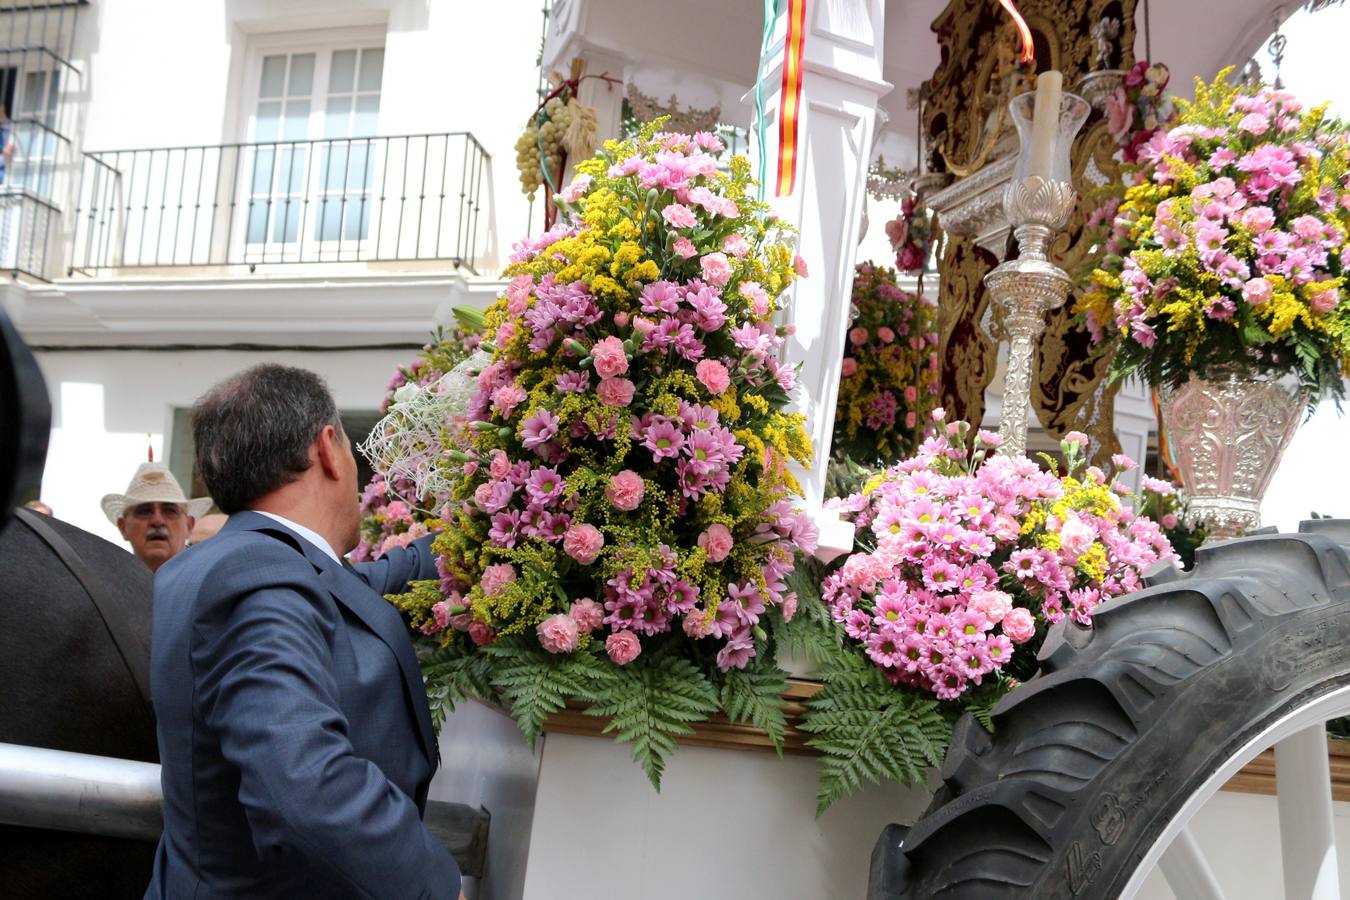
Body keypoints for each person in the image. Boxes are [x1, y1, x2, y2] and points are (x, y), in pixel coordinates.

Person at [146, 363, 461, 900]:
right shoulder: (258, 576)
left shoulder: (245, 563)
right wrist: (428, 884)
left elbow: (376, 584)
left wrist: (497, 510)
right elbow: (305, 786)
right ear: (327, 448)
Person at [101, 462, 211, 572]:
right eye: (144, 511)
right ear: (123, 527)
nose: (157, 521)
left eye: (169, 511)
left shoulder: (209, 583)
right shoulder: (103, 583)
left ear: (189, 525)